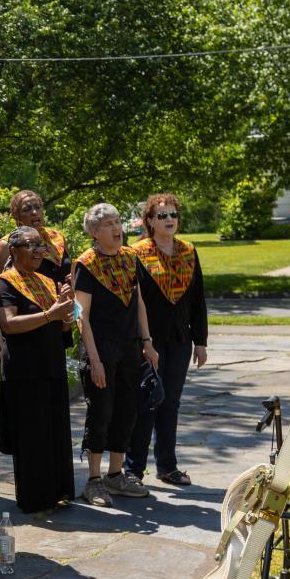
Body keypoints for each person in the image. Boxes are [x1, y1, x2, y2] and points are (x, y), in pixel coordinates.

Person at [73, 203, 158, 508]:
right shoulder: (86, 264)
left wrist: (147, 341)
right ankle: (93, 481)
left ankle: (116, 475)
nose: (116, 228)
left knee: (127, 411)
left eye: (117, 222)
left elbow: (139, 303)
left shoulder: (130, 258)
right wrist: (94, 360)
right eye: (108, 224)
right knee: (101, 413)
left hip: (130, 347)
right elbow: (81, 316)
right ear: (94, 232)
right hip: (101, 349)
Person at [0, 226, 76, 512]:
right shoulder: (5, 284)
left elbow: (63, 326)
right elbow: (8, 324)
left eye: (41, 245)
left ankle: (58, 491)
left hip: (51, 365)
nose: (40, 251)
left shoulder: (46, 281)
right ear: (14, 251)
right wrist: (50, 314)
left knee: (55, 432)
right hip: (25, 372)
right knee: (33, 435)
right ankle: (35, 497)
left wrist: (67, 307)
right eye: (32, 246)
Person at [125, 194, 208, 486]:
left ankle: (167, 466)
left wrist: (200, 341)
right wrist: (141, 340)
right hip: (148, 340)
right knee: (148, 400)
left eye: (173, 214)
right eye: (162, 215)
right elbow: (132, 303)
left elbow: (198, 299)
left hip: (180, 339)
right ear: (149, 221)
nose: (169, 219)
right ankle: (133, 470)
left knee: (170, 402)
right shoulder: (136, 254)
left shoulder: (188, 252)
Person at [0, 190, 70, 289]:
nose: (34, 212)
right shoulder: (8, 244)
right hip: (31, 302)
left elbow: (69, 269)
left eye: (37, 207)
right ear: (17, 216)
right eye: (27, 209)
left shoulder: (58, 237)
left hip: (68, 300)